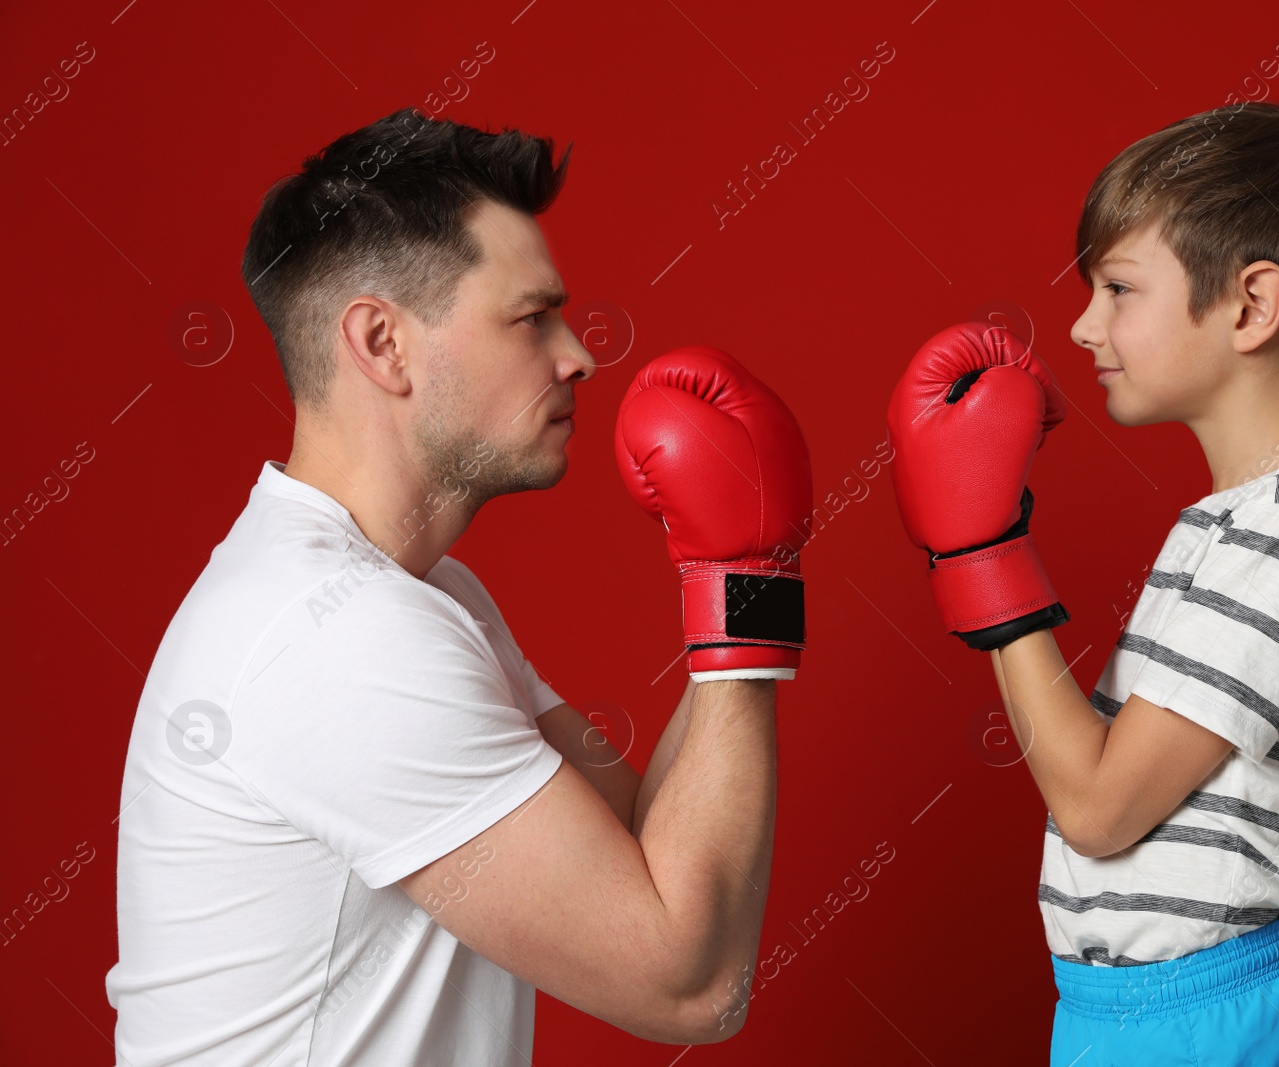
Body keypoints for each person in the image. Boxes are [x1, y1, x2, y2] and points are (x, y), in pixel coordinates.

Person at [105, 106, 811, 1064]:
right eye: (531, 317)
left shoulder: (423, 594)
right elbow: (688, 981)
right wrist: (748, 583)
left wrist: (740, 575)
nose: (578, 354)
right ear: (383, 344)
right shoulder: (340, 636)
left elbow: (641, 840)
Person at [886, 101, 1279, 1064]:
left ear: (1252, 305)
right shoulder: (1239, 522)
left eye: (1119, 288)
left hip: (1222, 1023)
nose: (1084, 326)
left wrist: (984, 554)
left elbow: (1099, 805)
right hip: (1116, 1010)